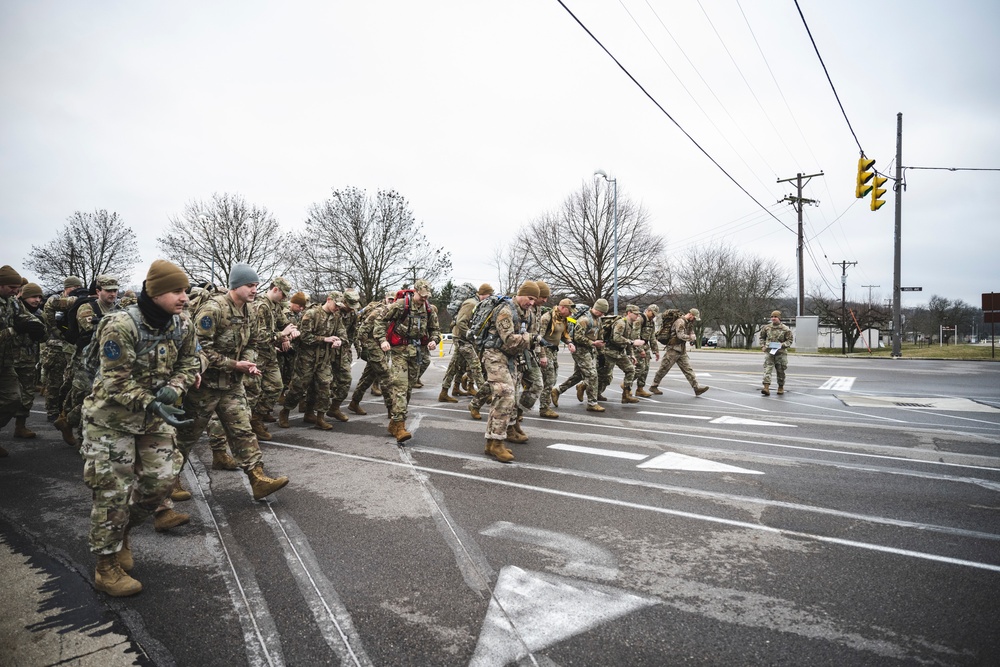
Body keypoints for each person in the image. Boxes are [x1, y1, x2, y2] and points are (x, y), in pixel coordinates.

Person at [80, 259, 199, 596]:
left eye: (185, 291)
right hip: (110, 420)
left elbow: (192, 362)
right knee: (112, 492)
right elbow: (115, 381)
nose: (184, 297)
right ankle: (106, 568)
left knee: (159, 485)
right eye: (176, 291)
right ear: (155, 291)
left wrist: (174, 389)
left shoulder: (181, 325)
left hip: (153, 418)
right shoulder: (120, 325)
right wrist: (152, 400)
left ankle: (121, 535)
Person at [175, 263, 289, 500]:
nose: (254, 290)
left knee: (243, 430)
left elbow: (251, 343)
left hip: (231, 384)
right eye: (249, 285)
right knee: (187, 435)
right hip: (204, 385)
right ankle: (170, 481)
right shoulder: (213, 309)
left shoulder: (249, 310)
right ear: (235, 285)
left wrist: (247, 362)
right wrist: (233, 364)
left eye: (256, 285)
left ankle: (257, 478)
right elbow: (200, 349)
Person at [375, 279, 440, 444]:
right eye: (422, 296)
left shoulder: (429, 310)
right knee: (401, 387)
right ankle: (400, 427)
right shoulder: (400, 305)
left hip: (416, 353)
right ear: (415, 291)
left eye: (427, 296)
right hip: (399, 352)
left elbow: (435, 330)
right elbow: (380, 320)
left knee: (409, 389)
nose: (424, 299)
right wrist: (382, 339)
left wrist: (434, 340)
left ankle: (393, 424)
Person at [60, 275, 121, 447]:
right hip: (85, 360)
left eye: (115, 290)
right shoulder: (87, 307)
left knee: (99, 399)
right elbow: (92, 328)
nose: (113, 294)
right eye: (108, 291)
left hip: (107, 360)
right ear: (98, 291)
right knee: (86, 398)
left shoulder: (119, 308)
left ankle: (70, 424)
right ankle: (81, 436)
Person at [480, 281, 537, 462]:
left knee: (505, 399)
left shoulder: (527, 314)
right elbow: (510, 339)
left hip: (511, 358)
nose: (532, 303)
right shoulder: (505, 311)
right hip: (495, 355)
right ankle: (497, 444)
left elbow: (527, 338)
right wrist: (530, 338)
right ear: (521, 294)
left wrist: (530, 339)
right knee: (506, 395)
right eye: (530, 298)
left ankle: (491, 443)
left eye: (534, 300)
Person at [278, 292, 345, 430]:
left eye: (339, 306)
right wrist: (324, 339)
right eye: (336, 305)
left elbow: (342, 333)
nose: (337, 308)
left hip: (324, 358)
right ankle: (285, 412)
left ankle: (318, 417)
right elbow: (304, 337)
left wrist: (339, 341)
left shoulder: (336, 317)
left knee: (324, 386)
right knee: (298, 387)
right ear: (328, 300)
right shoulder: (312, 314)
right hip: (306, 357)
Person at [246, 276, 299, 440]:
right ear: (275, 289)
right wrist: (281, 335)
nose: (284, 299)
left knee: (276, 386)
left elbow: (284, 324)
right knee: (253, 392)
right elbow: (260, 336)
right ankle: (246, 427)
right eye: (283, 294)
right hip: (257, 355)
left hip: (269, 354)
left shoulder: (274, 306)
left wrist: (290, 332)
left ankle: (256, 419)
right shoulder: (260, 306)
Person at [552, 298, 608, 412]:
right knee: (592, 374)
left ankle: (557, 390)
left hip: (589, 350)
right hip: (580, 350)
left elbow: (600, 336)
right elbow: (578, 337)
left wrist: (601, 353)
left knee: (579, 375)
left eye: (603, 312)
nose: (602, 314)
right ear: (596, 308)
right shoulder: (585, 319)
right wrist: (592, 343)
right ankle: (592, 403)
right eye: (600, 311)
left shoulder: (598, 320)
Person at [41, 276, 84, 422]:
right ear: (66, 288)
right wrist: (55, 329)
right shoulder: (58, 301)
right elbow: (48, 308)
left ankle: (65, 409)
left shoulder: (79, 301)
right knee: (55, 380)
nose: (76, 292)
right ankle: (52, 410)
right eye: (73, 289)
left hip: (72, 344)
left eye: (78, 288)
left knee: (71, 380)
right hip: (56, 344)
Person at [348, 291, 395, 416]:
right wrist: (367, 348)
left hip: (382, 346)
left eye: (393, 299)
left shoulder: (394, 313)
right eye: (390, 299)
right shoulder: (377, 312)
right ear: (385, 298)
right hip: (374, 346)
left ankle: (354, 402)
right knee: (386, 375)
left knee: (368, 378)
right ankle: (392, 409)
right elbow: (362, 331)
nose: (391, 301)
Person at [11, 283, 46, 438]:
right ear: (24, 296)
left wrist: (40, 333)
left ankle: (20, 426)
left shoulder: (39, 314)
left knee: (27, 394)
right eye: (33, 296)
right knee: (8, 396)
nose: (37, 300)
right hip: (9, 358)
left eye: (39, 297)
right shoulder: (14, 309)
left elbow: (45, 336)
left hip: (29, 359)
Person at [649, 308, 709, 396]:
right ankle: (654, 386)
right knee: (664, 368)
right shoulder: (680, 322)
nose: (694, 320)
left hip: (681, 351)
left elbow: (689, 332)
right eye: (694, 318)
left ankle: (696, 388)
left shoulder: (688, 323)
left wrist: (692, 335)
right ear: (691, 315)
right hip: (673, 349)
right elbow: (680, 335)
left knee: (688, 370)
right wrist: (690, 338)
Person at [598, 304, 646, 404]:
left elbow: (627, 341)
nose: (637, 316)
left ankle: (626, 395)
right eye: (635, 314)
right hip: (609, 353)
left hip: (620, 353)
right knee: (604, 376)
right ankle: (588, 388)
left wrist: (631, 354)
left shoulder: (630, 324)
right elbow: (616, 338)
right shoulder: (621, 323)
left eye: (638, 314)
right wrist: (632, 343)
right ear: (629, 313)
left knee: (630, 370)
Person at [326, 288, 361, 422]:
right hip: (327, 349)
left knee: (345, 379)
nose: (351, 309)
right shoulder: (334, 311)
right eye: (349, 305)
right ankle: (310, 409)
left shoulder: (353, 314)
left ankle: (334, 408)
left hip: (343, 349)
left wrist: (352, 347)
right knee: (323, 382)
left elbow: (352, 332)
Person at [759, 310, 793, 395]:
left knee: (780, 371)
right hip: (769, 352)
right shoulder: (766, 328)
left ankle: (780, 387)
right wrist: (762, 346)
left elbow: (790, 341)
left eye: (775, 317)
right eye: (772, 317)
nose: (773, 318)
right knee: (767, 369)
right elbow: (762, 337)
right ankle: (766, 387)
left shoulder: (785, 329)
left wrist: (782, 345)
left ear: (779, 318)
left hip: (780, 353)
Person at [633, 304, 660, 397]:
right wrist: (640, 350)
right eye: (652, 313)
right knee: (639, 368)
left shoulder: (651, 322)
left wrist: (655, 351)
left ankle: (640, 389)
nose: (653, 316)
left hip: (646, 346)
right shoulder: (640, 319)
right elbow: (635, 335)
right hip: (637, 346)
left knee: (645, 369)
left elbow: (652, 337)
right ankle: (626, 385)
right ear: (648, 310)